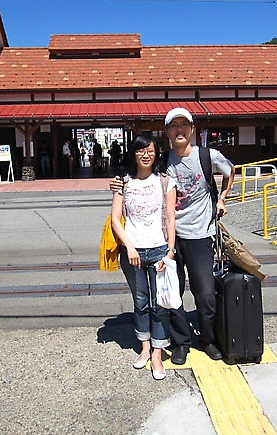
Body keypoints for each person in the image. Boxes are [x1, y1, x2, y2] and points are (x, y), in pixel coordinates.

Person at [110, 107, 235, 365]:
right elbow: (136, 174)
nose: (179, 130)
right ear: (167, 132)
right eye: (173, 126)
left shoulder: (207, 156)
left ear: (192, 129)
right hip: (168, 238)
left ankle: (208, 339)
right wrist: (117, 183)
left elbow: (231, 170)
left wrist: (222, 198)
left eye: (184, 125)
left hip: (201, 234)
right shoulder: (163, 160)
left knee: (206, 293)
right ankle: (181, 342)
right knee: (171, 294)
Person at [111, 133, 177, 380]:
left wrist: (170, 251)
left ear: (156, 152)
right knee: (140, 302)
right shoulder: (123, 183)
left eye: (150, 150)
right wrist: (129, 247)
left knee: (160, 304)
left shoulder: (165, 182)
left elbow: (171, 218)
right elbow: (116, 219)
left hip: (159, 248)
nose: (145, 154)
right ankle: (145, 348)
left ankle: (158, 353)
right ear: (134, 153)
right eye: (141, 150)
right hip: (133, 252)